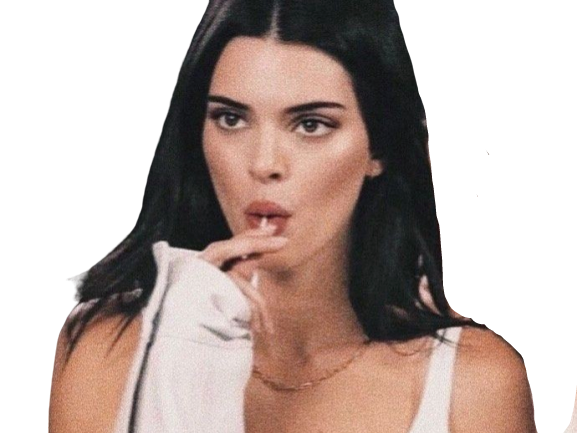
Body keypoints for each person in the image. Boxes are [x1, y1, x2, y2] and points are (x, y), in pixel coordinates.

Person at [49, 0, 537, 432]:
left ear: (380, 148)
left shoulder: (473, 384)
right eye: (231, 118)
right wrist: (184, 365)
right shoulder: (104, 346)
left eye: (311, 124)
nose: (264, 164)